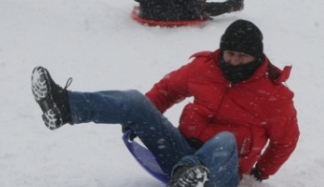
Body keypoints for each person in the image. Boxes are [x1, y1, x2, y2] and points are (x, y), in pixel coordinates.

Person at [31, 19, 299, 187]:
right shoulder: (205, 68)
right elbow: (167, 90)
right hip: (179, 154)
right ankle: (65, 106)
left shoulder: (274, 95)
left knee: (225, 138)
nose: (233, 61)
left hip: (222, 173)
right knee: (136, 102)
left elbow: (286, 140)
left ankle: (193, 175)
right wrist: (142, 118)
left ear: (257, 57)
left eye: (242, 56)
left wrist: (260, 173)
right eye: (229, 54)